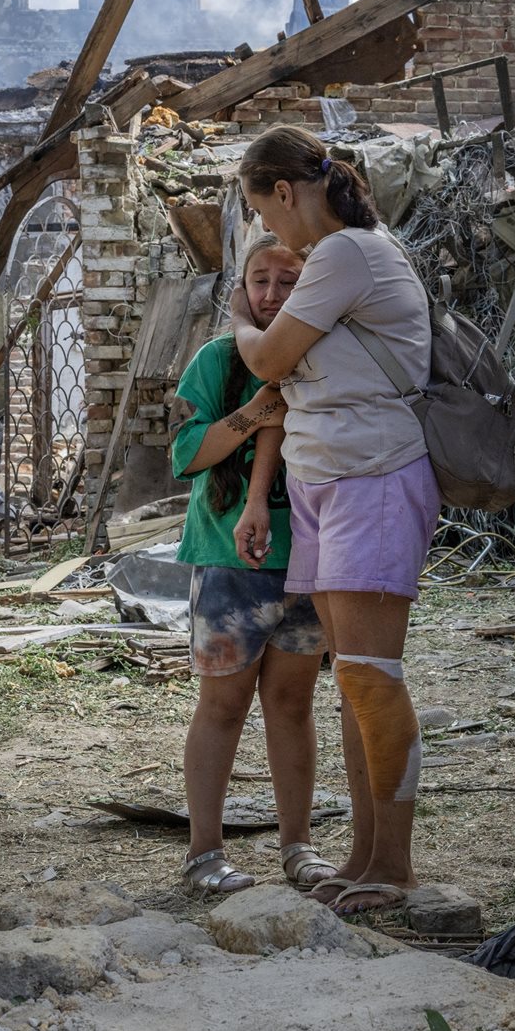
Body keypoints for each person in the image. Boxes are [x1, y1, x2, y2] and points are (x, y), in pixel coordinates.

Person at [226, 126, 436, 916]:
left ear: (285, 191)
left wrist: (240, 319)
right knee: (352, 682)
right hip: (330, 478)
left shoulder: (349, 253)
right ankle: (364, 855)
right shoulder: (335, 257)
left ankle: (395, 865)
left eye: (264, 212)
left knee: (372, 680)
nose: (267, 229)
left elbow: (268, 359)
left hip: (370, 477)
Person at [169, 233, 339, 896]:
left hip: (309, 560)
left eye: (288, 281)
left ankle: (298, 847)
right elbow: (187, 454)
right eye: (260, 281)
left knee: (293, 704)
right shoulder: (216, 360)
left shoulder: (327, 359)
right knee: (223, 706)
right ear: (241, 289)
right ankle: (204, 855)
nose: (272, 294)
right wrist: (251, 414)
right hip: (227, 561)